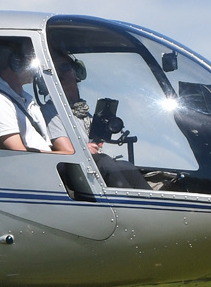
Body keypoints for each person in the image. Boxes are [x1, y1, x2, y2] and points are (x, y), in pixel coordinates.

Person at [53, 51, 151, 189]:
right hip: (73, 168)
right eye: (55, 71)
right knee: (105, 163)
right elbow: (66, 149)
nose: (60, 74)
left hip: (90, 162)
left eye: (64, 68)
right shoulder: (53, 111)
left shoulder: (83, 112)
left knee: (126, 166)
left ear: (76, 73)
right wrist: (84, 148)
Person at [0, 45, 73, 153]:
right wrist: (69, 154)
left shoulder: (25, 101)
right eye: (30, 58)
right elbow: (19, 153)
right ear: (16, 63)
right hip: (27, 168)